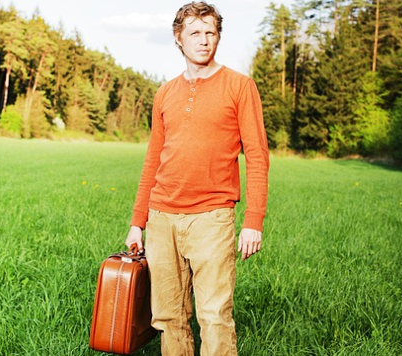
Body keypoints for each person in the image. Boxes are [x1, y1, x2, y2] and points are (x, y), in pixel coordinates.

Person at [124, 2, 269, 355]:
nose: (204, 40)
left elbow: (258, 156)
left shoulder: (240, 86)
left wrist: (253, 221)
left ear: (218, 37)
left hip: (212, 218)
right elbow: (153, 160)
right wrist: (137, 222)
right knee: (168, 317)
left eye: (210, 32)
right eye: (195, 33)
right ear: (179, 39)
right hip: (161, 219)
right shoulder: (165, 93)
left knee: (215, 315)